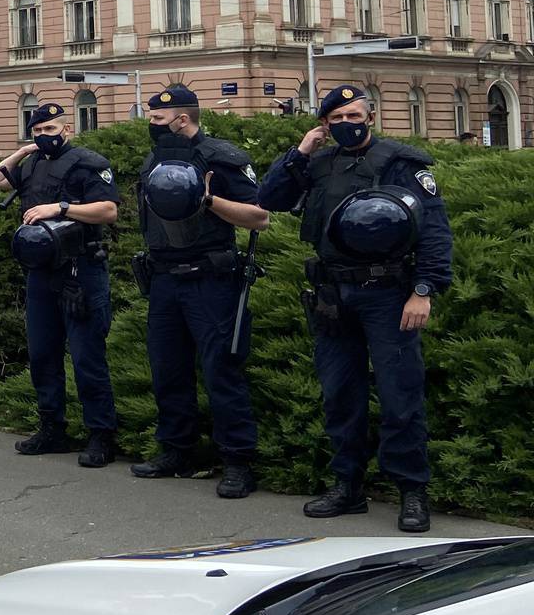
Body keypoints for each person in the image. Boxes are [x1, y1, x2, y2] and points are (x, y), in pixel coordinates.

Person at [259, 84, 450, 533]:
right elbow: (269, 200)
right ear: (325, 123)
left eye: (353, 115)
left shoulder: (400, 164)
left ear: (371, 116)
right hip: (332, 294)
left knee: (400, 395)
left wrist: (423, 289)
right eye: (336, 118)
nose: (346, 124)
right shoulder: (318, 163)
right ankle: (348, 487)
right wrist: (300, 151)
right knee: (340, 395)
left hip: (389, 294)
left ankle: (411, 491)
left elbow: (435, 232)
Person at [128, 87, 270, 499]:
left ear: (182, 119)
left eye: (156, 120)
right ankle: (177, 450)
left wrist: (208, 200)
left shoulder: (221, 156)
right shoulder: (154, 160)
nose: (151, 127)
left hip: (210, 279)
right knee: (167, 369)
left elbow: (259, 218)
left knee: (221, 371)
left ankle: (238, 462)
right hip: (165, 279)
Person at [0, 101, 121, 467]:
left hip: (80, 271)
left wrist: (60, 208)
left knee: (86, 357)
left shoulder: (87, 162)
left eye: (50, 130)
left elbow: (109, 210)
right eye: (38, 131)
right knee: (42, 355)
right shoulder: (32, 163)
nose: (45, 136)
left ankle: (100, 435)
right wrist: (23, 151)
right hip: (41, 272)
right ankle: (53, 429)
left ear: (67, 129)